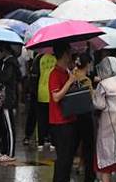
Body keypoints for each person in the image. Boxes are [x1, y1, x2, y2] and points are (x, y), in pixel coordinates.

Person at [49, 42, 79, 182]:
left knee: (68, 158)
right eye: (69, 53)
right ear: (65, 54)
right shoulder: (54, 74)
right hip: (60, 121)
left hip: (69, 118)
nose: (71, 56)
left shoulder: (66, 71)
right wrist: (69, 82)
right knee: (63, 158)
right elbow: (56, 97)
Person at [0, 42, 21, 162]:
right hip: (4, 98)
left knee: (9, 126)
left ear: (3, 51)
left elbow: (6, 78)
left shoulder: (10, 63)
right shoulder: (5, 63)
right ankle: (5, 151)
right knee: (4, 126)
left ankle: (10, 153)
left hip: (8, 99)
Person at [73, 52, 96, 182]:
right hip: (85, 116)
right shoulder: (85, 80)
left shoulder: (71, 75)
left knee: (74, 145)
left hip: (72, 116)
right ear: (87, 64)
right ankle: (89, 176)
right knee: (88, 147)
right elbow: (91, 99)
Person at [36, 53, 56, 151]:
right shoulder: (56, 59)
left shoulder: (40, 58)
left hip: (41, 91)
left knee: (42, 119)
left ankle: (40, 143)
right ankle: (53, 142)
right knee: (52, 118)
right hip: (52, 92)